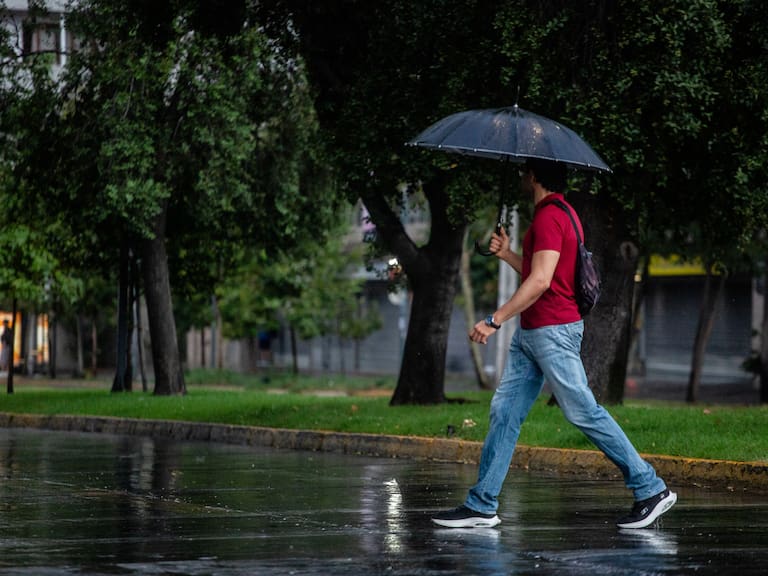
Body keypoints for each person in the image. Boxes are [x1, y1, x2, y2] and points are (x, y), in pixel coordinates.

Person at [432, 158, 676, 530]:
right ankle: (482, 504)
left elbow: (542, 281)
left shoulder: (550, 217)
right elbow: (545, 275)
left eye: (523, 171)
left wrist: (494, 319)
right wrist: (508, 255)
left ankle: (650, 488)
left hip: (553, 331)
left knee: (583, 411)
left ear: (533, 176)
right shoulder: (560, 213)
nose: (520, 177)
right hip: (534, 333)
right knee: (505, 413)